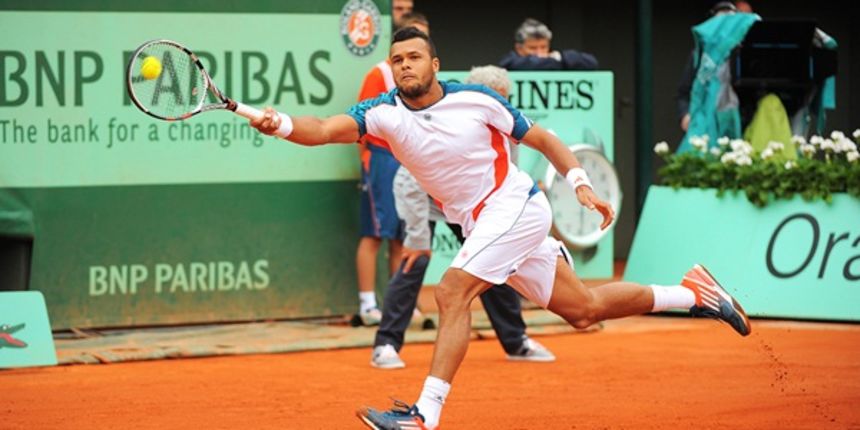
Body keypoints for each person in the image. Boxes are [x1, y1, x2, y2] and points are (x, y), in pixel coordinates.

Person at [250, 28, 751, 430]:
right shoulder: (382, 113)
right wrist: (280, 123)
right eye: (398, 59)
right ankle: (693, 293)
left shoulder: (475, 99)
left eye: (415, 57)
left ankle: (425, 414)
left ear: (434, 65)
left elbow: (542, 138)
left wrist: (578, 183)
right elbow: (320, 129)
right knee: (583, 310)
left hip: (513, 205)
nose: (405, 65)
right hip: (481, 223)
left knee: (450, 293)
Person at [370, 65, 555, 370]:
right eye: (498, 98)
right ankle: (386, 345)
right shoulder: (449, 119)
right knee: (417, 259)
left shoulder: (507, 123)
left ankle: (516, 341)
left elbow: (507, 176)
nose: (503, 106)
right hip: (420, 195)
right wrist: (417, 237)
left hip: (469, 205)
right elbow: (410, 179)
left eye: (506, 99)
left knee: (492, 264)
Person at [353, 12, 429, 326]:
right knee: (374, 235)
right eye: (412, 35)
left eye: (423, 38)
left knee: (402, 237)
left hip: (410, 161)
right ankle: (368, 305)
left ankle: (402, 305)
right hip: (382, 160)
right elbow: (359, 121)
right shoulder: (379, 74)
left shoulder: (427, 81)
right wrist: (368, 159)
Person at [676, 1, 740, 132]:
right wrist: (685, 116)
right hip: (706, 126)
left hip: (738, 124)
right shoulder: (700, 55)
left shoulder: (742, 54)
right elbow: (684, 92)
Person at [499, 18, 598, 71]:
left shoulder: (557, 58)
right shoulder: (510, 61)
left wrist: (560, 57)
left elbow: (591, 62)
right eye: (532, 48)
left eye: (543, 47)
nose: (539, 53)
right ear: (519, 48)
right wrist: (552, 61)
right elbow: (511, 65)